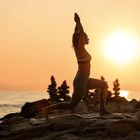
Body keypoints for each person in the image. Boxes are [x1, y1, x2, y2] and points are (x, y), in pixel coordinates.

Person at [41, 13, 109, 117]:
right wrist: (78, 22)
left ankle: (102, 110)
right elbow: (80, 33)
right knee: (71, 105)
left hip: (84, 79)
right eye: (86, 37)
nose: (88, 38)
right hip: (80, 81)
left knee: (104, 84)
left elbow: (77, 34)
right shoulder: (80, 49)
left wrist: (76, 25)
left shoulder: (80, 49)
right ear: (82, 40)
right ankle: (47, 109)